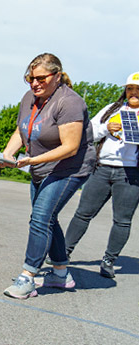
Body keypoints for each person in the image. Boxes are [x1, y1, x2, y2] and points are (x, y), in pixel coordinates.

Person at [0, 53, 96, 299]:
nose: (34, 83)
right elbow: (22, 130)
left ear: (57, 76)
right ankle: (60, 274)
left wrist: (31, 160)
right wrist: (8, 155)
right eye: (30, 78)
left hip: (70, 167)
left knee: (40, 218)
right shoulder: (30, 97)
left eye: (41, 78)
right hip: (41, 166)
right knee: (48, 218)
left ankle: (27, 278)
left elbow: (70, 147)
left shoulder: (69, 102)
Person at [62, 72, 139, 278]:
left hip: (131, 174)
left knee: (122, 220)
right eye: (130, 88)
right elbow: (89, 133)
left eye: (138, 89)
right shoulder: (112, 109)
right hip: (102, 168)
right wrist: (107, 127)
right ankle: (64, 254)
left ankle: (108, 261)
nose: (133, 93)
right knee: (83, 213)